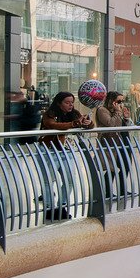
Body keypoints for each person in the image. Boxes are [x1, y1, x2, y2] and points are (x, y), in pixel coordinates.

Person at [39, 91, 93, 220]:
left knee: (70, 180)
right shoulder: (49, 114)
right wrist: (73, 124)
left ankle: (61, 206)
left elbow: (90, 125)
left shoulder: (74, 113)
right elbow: (52, 125)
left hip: (67, 151)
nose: (70, 105)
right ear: (59, 103)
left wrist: (87, 123)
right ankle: (49, 208)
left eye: (72, 103)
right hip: (49, 151)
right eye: (67, 102)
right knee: (48, 181)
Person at [94, 91, 133, 204]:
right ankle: (106, 192)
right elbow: (110, 124)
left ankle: (122, 190)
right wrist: (117, 113)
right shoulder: (102, 110)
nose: (121, 104)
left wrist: (126, 118)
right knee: (111, 168)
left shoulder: (118, 111)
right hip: (109, 143)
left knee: (124, 166)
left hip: (121, 141)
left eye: (122, 101)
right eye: (119, 101)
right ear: (111, 101)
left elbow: (125, 126)